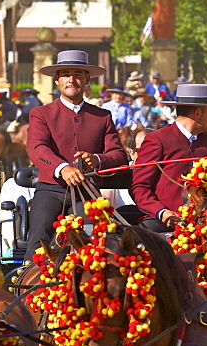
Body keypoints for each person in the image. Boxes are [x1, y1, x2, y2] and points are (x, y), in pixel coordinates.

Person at [25, 50, 129, 260]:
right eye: (65, 74)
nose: (71, 79)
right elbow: (36, 147)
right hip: (50, 189)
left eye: (78, 74)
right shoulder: (41, 113)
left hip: (87, 190)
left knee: (97, 239)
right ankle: (28, 286)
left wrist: (98, 159)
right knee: (39, 235)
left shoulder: (102, 116)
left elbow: (119, 155)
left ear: (87, 79)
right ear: (57, 80)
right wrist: (62, 168)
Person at [132, 83, 207, 229]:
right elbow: (140, 187)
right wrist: (162, 212)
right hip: (167, 222)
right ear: (197, 113)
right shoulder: (157, 139)